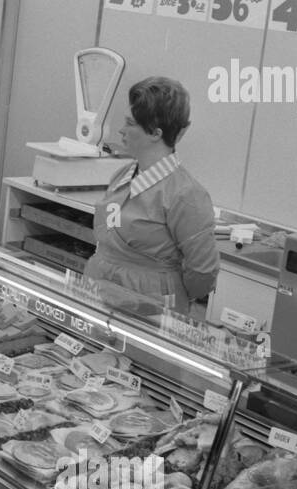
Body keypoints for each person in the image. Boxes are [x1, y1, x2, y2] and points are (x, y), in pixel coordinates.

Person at [83, 78, 219, 315]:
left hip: (150, 305)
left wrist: (165, 288)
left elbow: (203, 272)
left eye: (130, 123)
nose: (121, 130)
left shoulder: (186, 195)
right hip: (100, 290)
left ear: (155, 133)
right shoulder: (122, 175)